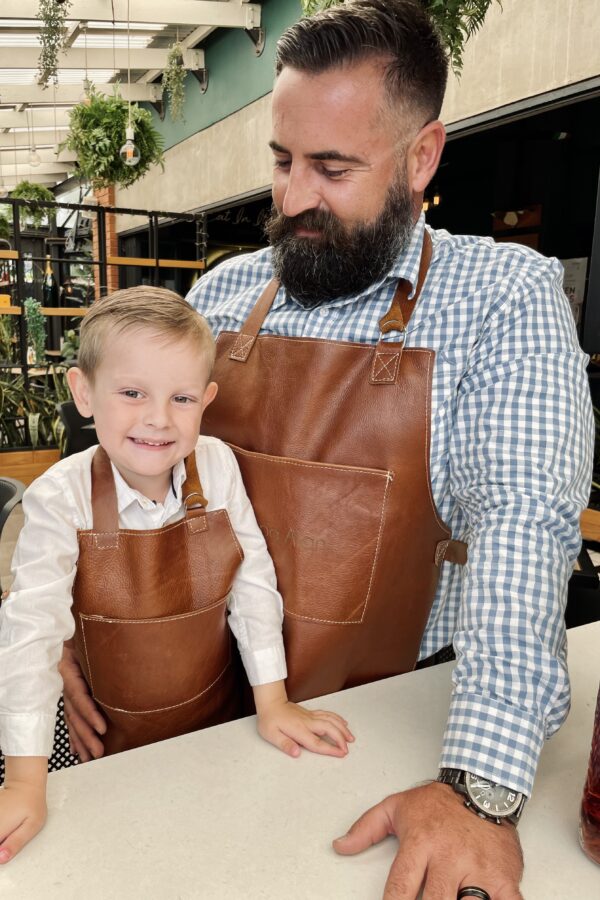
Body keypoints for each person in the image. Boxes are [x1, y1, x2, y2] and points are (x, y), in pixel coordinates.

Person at [60, 1, 592, 897]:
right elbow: (135, 470)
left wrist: (478, 788)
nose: (294, 196)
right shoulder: (227, 293)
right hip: (204, 701)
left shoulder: (504, 297)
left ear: (423, 157)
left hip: (376, 727)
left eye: (333, 168)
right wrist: (81, 628)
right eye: (282, 160)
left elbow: (524, 527)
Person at [0, 286, 353, 865]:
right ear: (84, 392)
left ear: (207, 399)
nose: (158, 420)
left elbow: (254, 582)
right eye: (133, 392)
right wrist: (24, 785)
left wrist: (273, 703)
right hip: (105, 734)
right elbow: (29, 634)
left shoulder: (218, 465)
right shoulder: (57, 498)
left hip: (215, 723)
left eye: (182, 398)